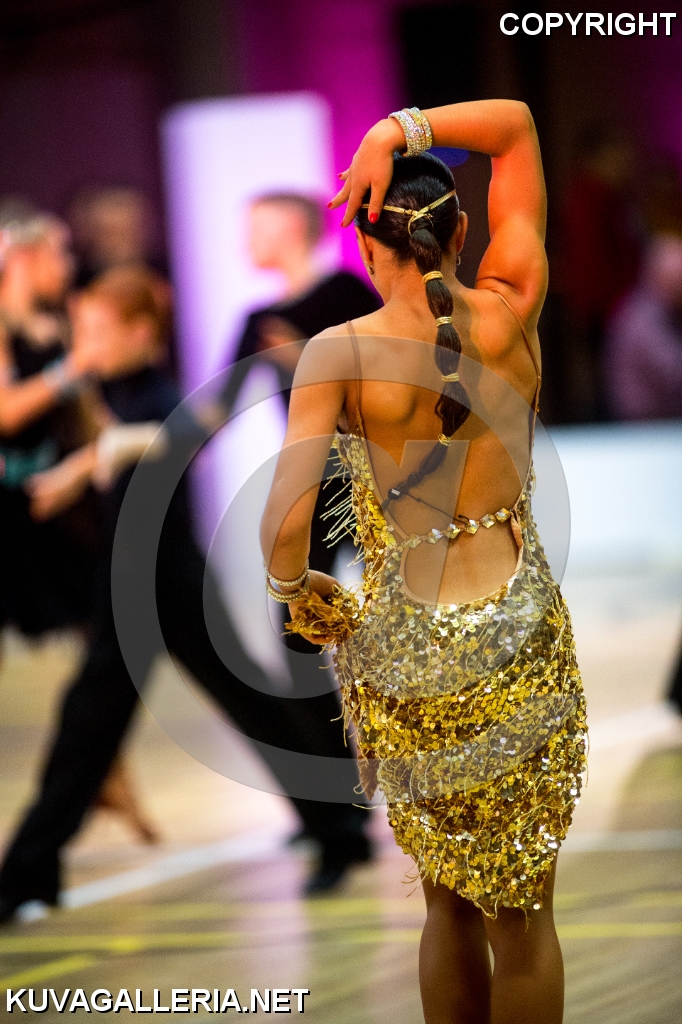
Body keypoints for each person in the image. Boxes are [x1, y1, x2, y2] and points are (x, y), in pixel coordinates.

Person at [261, 102, 587, 1023]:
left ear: (368, 246)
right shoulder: (513, 306)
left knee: (445, 903)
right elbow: (516, 127)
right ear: (461, 230)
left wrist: (295, 589)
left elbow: (286, 527)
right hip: (522, 639)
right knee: (525, 918)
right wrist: (395, 133)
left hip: (407, 650)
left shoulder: (337, 352)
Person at [0, 266, 368, 924]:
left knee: (249, 707)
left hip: (167, 583)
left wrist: (86, 463)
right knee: (88, 728)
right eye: (82, 329)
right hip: (129, 584)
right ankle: (28, 871)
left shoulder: (156, 394)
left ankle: (339, 829)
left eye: (98, 331)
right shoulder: (104, 391)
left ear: (141, 333)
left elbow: (170, 438)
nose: (86, 344)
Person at [216, 192, 379, 856]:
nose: (246, 240)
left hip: (372, 478)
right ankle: (340, 797)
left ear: (291, 230)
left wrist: (306, 360)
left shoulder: (346, 293)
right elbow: (217, 406)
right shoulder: (258, 319)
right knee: (297, 638)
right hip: (312, 487)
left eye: (257, 227)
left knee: (406, 619)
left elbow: (390, 372)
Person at [559, 122, 641, 421]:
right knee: (610, 384)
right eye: (615, 154)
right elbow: (591, 264)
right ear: (595, 158)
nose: (623, 161)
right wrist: (620, 306)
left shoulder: (611, 198)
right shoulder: (588, 200)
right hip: (606, 309)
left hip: (614, 307)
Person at [604, 233, 682, 420]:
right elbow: (673, 373)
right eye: (678, 279)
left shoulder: (667, 311)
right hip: (644, 425)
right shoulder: (641, 319)